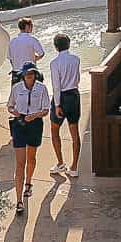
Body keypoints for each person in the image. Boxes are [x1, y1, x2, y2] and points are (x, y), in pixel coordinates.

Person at [7, 61, 50, 214]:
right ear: (23, 75)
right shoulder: (16, 88)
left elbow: (46, 109)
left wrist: (35, 115)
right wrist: (15, 112)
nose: (30, 76)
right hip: (20, 124)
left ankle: (29, 183)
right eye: (27, 74)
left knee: (31, 158)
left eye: (32, 74)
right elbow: (10, 105)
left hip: (35, 123)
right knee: (20, 163)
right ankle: (19, 201)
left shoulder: (42, 88)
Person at [48, 32, 82, 179]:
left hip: (61, 97)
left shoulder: (54, 63)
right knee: (74, 132)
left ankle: (60, 162)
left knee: (55, 131)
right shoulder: (76, 59)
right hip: (74, 95)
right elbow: (78, 78)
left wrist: (57, 105)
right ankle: (74, 167)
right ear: (69, 44)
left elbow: (56, 86)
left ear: (56, 47)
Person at [7, 16, 45, 83]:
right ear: (27, 26)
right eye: (31, 25)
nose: (32, 27)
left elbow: (10, 58)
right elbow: (41, 53)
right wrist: (35, 58)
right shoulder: (32, 40)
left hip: (16, 73)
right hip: (30, 72)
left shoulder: (12, 42)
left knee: (16, 92)